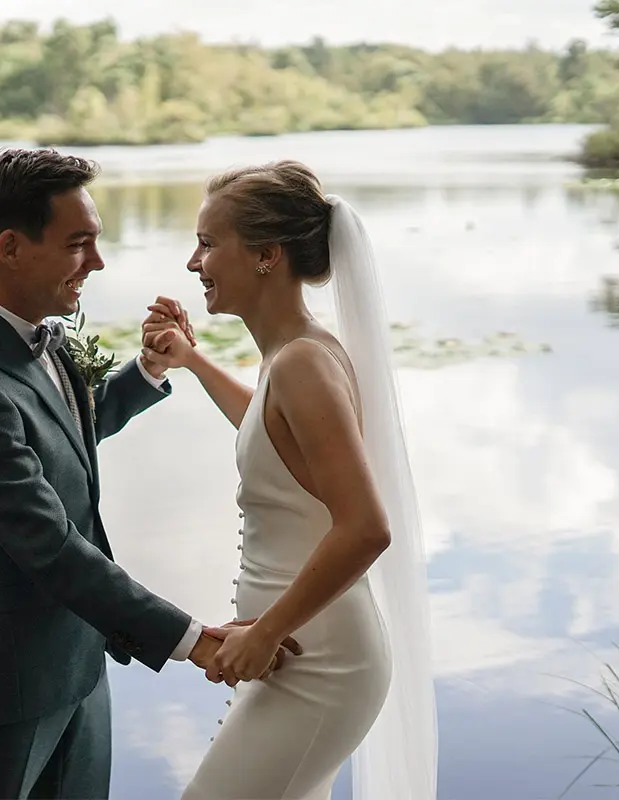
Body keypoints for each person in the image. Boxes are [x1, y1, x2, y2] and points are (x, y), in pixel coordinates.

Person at [0, 148, 298, 800]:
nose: (96, 262)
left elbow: (70, 434)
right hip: (5, 685)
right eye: (78, 244)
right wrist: (193, 640)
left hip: (81, 666)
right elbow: (52, 549)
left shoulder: (44, 335)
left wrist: (150, 370)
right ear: (11, 247)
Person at [141, 161, 438, 800]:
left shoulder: (304, 361)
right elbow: (269, 430)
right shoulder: (291, 357)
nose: (194, 264)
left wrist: (268, 630)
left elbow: (367, 528)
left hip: (322, 664)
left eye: (208, 243)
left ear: (267, 256)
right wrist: (191, 361)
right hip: (297, 652)